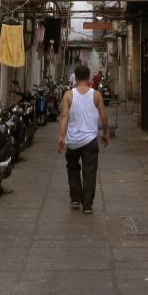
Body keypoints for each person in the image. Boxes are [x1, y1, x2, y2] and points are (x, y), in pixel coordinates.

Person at [56, 63, 109, 213]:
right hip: (90, 140)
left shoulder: (68, 95)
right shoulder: (96, 95)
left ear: (76, 78)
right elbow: (104, 116)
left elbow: (64, 116)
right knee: (90, 172)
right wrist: (105, 133)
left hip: (73, 140)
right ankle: (87, 205)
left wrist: (61, 137)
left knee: (73, 168)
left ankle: (75, 198)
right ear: (89, 78)